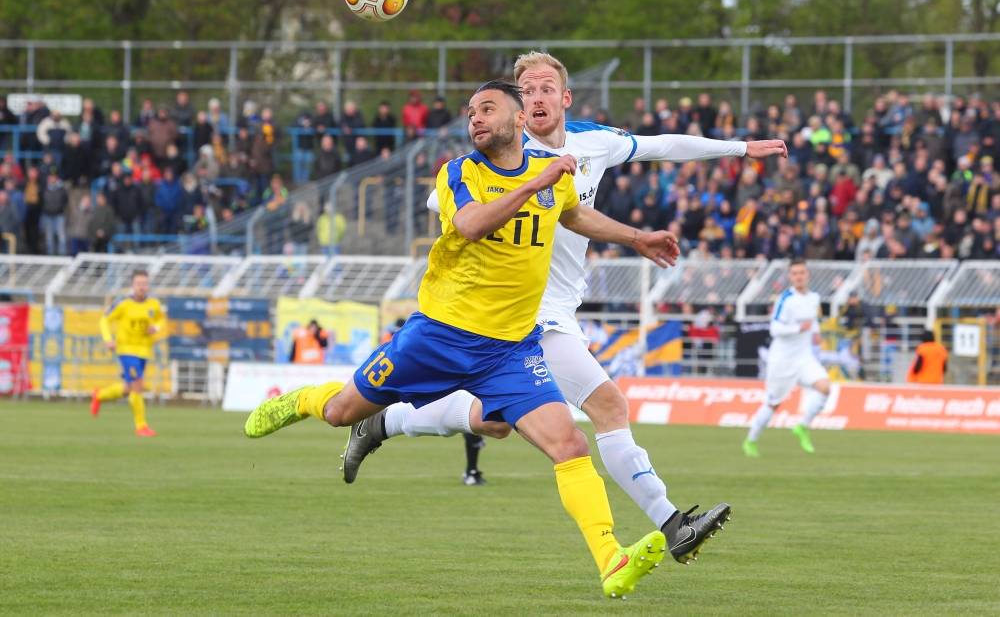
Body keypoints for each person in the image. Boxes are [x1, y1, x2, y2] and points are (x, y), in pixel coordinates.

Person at [243, 80, 682, 599]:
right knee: (343, 412)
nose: (475, 118)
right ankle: (301, 402)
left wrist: (637, 237)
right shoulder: (461, 172)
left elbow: (573, 214)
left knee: (569, 442)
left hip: (511, 349)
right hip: (438, 336)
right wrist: (533, 183)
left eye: (487, 108)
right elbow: (472, 224)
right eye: (471, 111)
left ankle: (611, 559)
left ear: (520, 120)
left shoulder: (553, 176)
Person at [342, 52, 782, 562]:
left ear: (565, 97)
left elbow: (662, 146)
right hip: (524, 312)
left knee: (495, 420)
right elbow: (445, 203)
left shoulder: (593, 142)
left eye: (545, 87)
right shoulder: (507, 154)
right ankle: (672, 522)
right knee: (608, 406)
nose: (535, 96)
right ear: (519, 107)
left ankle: (384, 422)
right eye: (525, 90)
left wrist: (741, 148)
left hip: (558, 309)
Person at [744, 258, 831, 457]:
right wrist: (798, 328)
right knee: (773, 404)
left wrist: (815, 333)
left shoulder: (814, 298)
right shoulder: (786, 300)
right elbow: (775, 329)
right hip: (782, 360)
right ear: (790, 277)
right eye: (795, 273)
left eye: (802, 272)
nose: (799, 276)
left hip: (804, 357)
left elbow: (812, 321)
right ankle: (751, 440)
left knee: (825, 388)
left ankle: (802, 426)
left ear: (807, 275)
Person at [90, 270, 165, 437]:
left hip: (144, 351)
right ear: (132, 286)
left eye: (144, 283)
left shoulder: (154, 304)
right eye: (138, 283)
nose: (142, 287)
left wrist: (156, 328)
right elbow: (104, 320)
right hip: (126, 351)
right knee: (138, 385)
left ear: (148, 285)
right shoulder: (123, 304)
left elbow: (160, 319)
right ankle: (141, 426)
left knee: (127, 388)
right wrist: (108, 339)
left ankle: (99, 395)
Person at [40, 171, 68, 256]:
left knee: (62, 236)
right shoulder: (44, 189)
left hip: (59, 215)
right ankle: (50, 255)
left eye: (54, 177)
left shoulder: (62, 189)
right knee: (49, 237)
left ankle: (62, 255)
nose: (52, 179)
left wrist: (60, 209)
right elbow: (42, 201)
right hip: (48, 215)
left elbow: (65, 201)